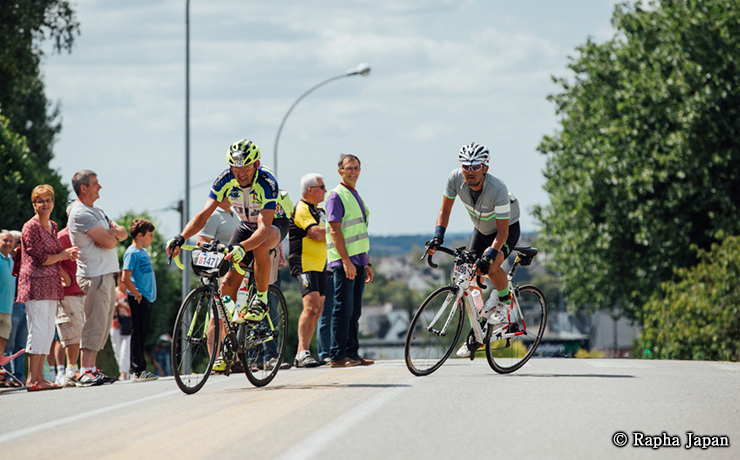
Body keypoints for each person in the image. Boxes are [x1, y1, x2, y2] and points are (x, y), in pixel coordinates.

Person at [167, 139, 293, 326]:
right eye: (235, 168)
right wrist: (181, 237)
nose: (240, 174)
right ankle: (232, 340)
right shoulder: (225, 179)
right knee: (226, 286)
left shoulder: (267, 181)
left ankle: (261, 299)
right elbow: (203, 215)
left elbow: (263, 228)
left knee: (260, 247)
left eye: (246, 168)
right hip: (246, 223)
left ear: (256, 164)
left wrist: (242, 247)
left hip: (274, 221)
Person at [426, 142, 521, 358]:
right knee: (466, 277)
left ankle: (506, 300)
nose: (469, 171)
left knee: (491, 266)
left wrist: (489, 254)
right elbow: (445, 209)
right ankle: (478, 330)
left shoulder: (498, 189)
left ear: (485, 168)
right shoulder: (454, 179)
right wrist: (438, 236)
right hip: (480, 228)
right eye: (465, 166)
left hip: (504, 229)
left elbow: (502, 233)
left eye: (475, 166)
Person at [68, 170, 128, 386]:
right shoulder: (81, 213)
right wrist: (111, 235)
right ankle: (85, 370)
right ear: (83, 188)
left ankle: (91, 368)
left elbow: (122, 233)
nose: (99, 187)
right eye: (95, 184)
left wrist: (111, 234)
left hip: (104, 274)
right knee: (94, 322)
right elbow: (114, 241)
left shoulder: (96, 211)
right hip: (95, 274)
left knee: (101, 323)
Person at [17, 185, 79, 391]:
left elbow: (53, 258)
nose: (45, 204)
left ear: (53, 202)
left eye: (48, 200)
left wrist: (66, 256)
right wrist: (63, 255)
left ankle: (40, 378)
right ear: (34, 204)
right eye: (40, 200)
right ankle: (31, 379)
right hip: (35, 284)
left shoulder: (53, 225)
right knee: (38, 330)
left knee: (47, 332)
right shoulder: (30, 227)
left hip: (52, 285)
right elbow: (41, 259)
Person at [326, 154, 375, 368]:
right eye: (348, 168)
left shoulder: (355, 195)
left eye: (356, 167)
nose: (353, 171)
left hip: (358, 261)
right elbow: (335, 231)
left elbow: (360, 233)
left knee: (354, 310)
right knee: (342, 309)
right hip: (343, 262)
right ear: (340, 171)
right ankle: (337, 355)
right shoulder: (336, 196)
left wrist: (366, 263)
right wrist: (346, 261)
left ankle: (352, 354)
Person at [288, 173, 328, 368]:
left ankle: (302, 353)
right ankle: (303, 351)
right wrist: (337, 233)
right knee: (311, 306)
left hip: (320, 264)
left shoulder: (320, 210)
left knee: (317, 309)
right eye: (322, 187)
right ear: (310, 190)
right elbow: (316, 233)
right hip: (304, 262)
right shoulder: (302, 208)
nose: (325, 191)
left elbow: (324, 233)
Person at [122, 219, 158, 382]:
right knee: (137, 333)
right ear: (139, 235)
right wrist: (137, 295)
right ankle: (137, 370)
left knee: (142, 334)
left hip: (147, 298)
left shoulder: (143, 251)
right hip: (139, 298)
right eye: (150, 235)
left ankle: (140, 369)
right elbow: (125, 278)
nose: (152, 238)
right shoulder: (132, 252)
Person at [55, 202, 86, 386]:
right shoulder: (62, 236)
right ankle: (71, 371)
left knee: (83, 333)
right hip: (69, 293)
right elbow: (51, 260)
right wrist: (65, 276)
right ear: (70, 216)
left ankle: (82, 369)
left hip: (84, 291)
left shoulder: (84, 235)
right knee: (71, 332)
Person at [3, 231, 27, 382]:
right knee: (8, 343)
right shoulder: (7, 260)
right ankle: (5, 375)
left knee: (21, 343)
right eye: (18, 242)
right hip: (10, 304)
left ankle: (18, 376)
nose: (19, 245)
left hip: (23, 303)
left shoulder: (20, 260)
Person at [0, 230, 19, 388]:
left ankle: (1, 377)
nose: (8, 243)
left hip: (7, 309)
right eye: (5, 240)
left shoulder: (11, 260)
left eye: (11, 241)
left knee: (2, 347)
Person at [110, 271, 132, 380]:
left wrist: (121, 305)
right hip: (114, 324)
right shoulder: (113, 292)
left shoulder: (129, 293)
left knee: (125, 350)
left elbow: (133, 309)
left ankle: (124, 373)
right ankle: (123, 371)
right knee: (117, 350)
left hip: (127, 324)